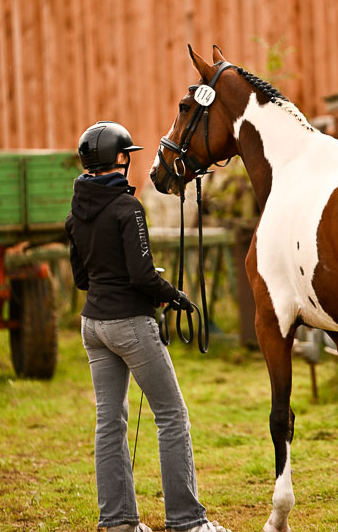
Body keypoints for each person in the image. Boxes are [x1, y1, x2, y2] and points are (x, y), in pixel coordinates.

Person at [65, 121, 232, 532]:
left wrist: (133, 280)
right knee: (172, 415)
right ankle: (188, 521)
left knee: (110, 421)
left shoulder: (76, 213)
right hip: (128, 326)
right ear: (118, 160)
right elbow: (141, 277)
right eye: (127, 156)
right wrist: (173, 294)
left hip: (93, 326)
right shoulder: (127, 208)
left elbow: (83, 279)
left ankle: (118, 522)